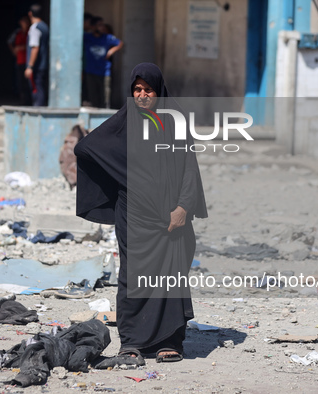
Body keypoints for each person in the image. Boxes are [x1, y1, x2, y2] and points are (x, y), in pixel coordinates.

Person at [74, 63, 207, 364]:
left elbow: (189, 168)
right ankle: (131, 342)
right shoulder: (123, 122)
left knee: (171, 276)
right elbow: (86, 148)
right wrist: (124, 176)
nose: (143, 95)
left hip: (172, 216)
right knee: (132, 275)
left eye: (148, 90)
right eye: (137, 90)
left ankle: (169, 341)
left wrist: (184, 207)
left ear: (158, 92)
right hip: (133, 216)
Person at [83, 16, 123, 108]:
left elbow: (120, 43)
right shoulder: (87, 37)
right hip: (91, 71)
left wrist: (111, 51)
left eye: (102, 25)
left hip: (105, 72)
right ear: (93, 27)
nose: (102, 28)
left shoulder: (107, 38)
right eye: (99, 25)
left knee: (105, 98)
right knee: (93, 97)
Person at [24, 4, 49, 106]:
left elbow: (35, 47)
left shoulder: (35, 28)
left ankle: (37, 112)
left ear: (30, 14)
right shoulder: (45, 26)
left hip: (37, 66)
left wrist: (30, 66)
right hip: (43, 64)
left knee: (36, 90)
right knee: (40, 88)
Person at [8, 16, 32, 105]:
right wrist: (14, 50)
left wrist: (20, 47)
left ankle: (29, 102)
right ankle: (23, 101)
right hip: (19, 60)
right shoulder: (18, 32)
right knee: (21, 83)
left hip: (27, 61)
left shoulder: (30, 32)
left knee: (28, 83)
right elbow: (9, 41)